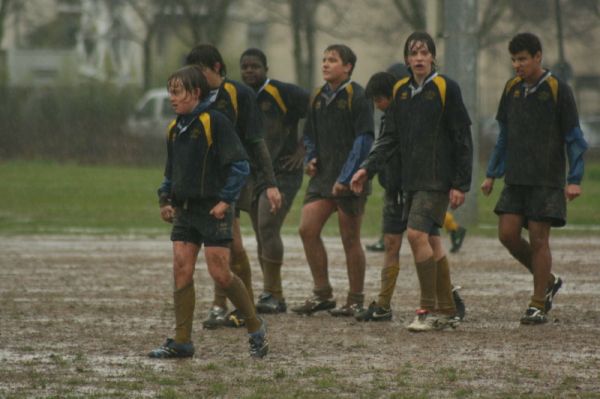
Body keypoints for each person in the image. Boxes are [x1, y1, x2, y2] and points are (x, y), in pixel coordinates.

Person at [352, 31, 472, 332]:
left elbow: (462, 137)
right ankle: (446, 310)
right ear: (407, 58)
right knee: (430, 240)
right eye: (414, 53)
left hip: (437, 180)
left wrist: (460, 183)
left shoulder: (447, 88)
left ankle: (427, 310)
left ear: (433, 57)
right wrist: (367, 168)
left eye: (424, 52)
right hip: (410, 181)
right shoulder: (401, 91)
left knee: (416, 235)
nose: (419, 58)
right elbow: (389, 137)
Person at [148, 65, 268, 358]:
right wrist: (165, 200)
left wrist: (226, 201)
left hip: (214, 211)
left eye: (177, 92)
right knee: (181, 269)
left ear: (196, 92)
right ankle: (182, 341)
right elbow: (170, 173)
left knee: (220, 274)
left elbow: (240, 166)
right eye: (170, 92)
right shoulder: (174, 129)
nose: (172, 98)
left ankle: (255, 328)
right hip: (186, 213)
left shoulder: (215, 122)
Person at [174, 44, 282, 330]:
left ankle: (235, 309)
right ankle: (224, 307)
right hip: (200, 186)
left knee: (231, 244)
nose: (194, 77)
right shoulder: (192, 98)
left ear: (217, 68)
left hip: (233, 178)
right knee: (222, 247)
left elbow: (256, 141)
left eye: (200, 71)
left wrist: (270, 182)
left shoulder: (238, 95)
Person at [481, 32, 586, 325]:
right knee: (507, 234)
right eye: (514, 59)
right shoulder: (511, 88)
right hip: (516, 177)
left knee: (539, 239)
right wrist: (491, 173)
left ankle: (538, 302)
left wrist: (574, 178)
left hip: (546, 179)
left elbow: (574, 137)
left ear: (538, 56)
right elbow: (504, 135)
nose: (518, 65)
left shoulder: (557, 89)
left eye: (523, 59)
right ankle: (548, 280)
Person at [291, 44, 374, 317]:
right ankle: (323, 294)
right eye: (324, 59)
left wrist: (346, 177)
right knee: (307, 229)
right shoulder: (317, 96)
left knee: (350, 238)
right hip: (323, 179)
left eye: (332, 60)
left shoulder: (358, 96)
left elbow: (364, 140)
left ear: (347, 67)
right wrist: (311, 158)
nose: (325, 64)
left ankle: (355, 299)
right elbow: (309, 135)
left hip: (352, 180)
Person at [239, 48, 310, 313]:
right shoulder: (242, 97)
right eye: (244, 67)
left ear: (266, 69)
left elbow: (316, 109)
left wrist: (303, 149)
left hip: (284, 171)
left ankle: (271, 293)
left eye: (254, 66)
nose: (249, 71)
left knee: (268, 225)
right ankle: (274, 294)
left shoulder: (284, 92)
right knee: (260, 230)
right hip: (255, 173)